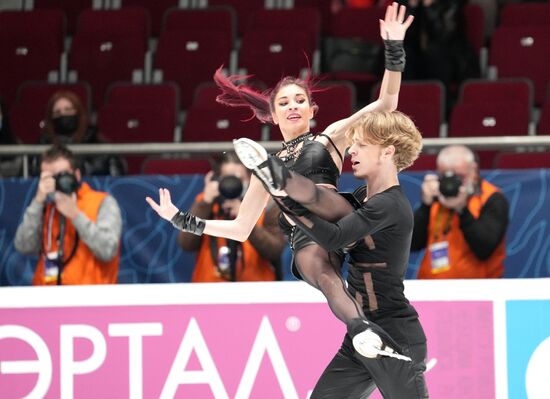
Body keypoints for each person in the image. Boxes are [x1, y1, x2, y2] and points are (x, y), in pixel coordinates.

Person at [147, 2, 413, 361]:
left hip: (334, 213)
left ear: (311, 111)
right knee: (319, 272)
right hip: (306, 234)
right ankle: (362, 330)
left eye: (300, 100)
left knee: (317, 197)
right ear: (273, 115)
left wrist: (394, 47)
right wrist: (184, 221)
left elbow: (387, 101)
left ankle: (286, 186)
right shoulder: (262, 166)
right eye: (284, 102)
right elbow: (242, 228)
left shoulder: (329, 138)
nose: (293, 106)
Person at [231, 110, 428, 397]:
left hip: (397, 337)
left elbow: (334, 236)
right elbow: (317, 197)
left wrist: (285, 199)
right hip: (362, 337)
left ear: (387, 152)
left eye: (361, 144)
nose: (352, 151)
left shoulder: (390, 206)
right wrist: (278, 177)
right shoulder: (362, 197)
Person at [14, 144, 122, 285]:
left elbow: (107, 250)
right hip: (46, 300)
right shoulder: (45, 208)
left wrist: (75, 214)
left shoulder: (102, 202)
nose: (56, 182)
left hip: (91, 300)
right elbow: (24, 246)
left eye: (61, 175)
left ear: (76, 175)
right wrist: (38, 201)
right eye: (49, 177)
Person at [178, 152, 285, 282]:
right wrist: (205, 203)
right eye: (227, 179)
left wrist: (246, 219)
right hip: (209, 289)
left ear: (250, 179)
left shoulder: (266, 203)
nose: (232, 184)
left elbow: (274, 250)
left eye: (239, 179)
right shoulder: (206, 202)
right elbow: (186, 243)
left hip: (255, 290)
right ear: (217, 180)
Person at [411, 144, 509, 279]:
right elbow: (412, 244)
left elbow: (484, 249)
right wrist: (425, 206)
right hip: (431, 288)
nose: (451, 183)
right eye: (445, 176)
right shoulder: (437, 197)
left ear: (473, 171)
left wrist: (462, 209)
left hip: (478, 291)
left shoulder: (492, 198)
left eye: (459, 176)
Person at [30, 90, 126, 176]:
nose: (63, 114)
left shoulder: (100, 147)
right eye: (57, 112)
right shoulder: (42, 146)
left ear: (79, 113)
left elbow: (114, 183)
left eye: (68, 110)